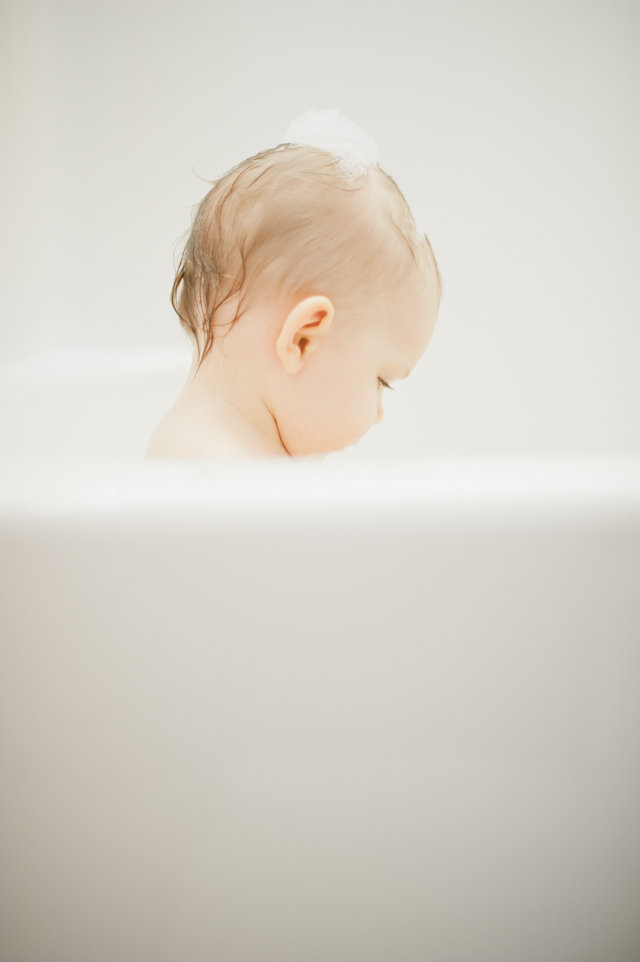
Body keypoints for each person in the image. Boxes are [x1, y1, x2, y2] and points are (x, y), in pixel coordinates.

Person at [145, 109, 442, 461]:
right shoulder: (219, 469)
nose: (379, 415)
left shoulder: (230, 451)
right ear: (302, 338)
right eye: (380, 381)